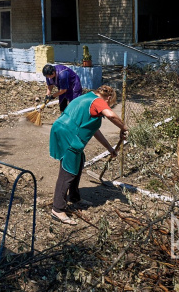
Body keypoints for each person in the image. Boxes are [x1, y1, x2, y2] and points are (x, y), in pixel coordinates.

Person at [48, 85, 128, 225]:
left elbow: (94, 130)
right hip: (69, 134)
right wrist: (124, 127)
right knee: (68, 169)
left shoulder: (88, 98)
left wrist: (110, 148)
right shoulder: (98, 101)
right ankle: (58, 208)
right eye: (111, 103)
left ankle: (75, 197)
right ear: (108, 98)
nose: (109, 106)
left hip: (63, 129)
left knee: (78, 161)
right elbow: (111, 115)